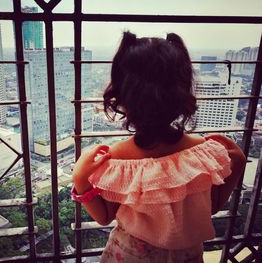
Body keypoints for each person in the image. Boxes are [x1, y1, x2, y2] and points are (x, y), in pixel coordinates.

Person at [72, 31, 246, 263]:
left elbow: (104, 216)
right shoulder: (203, 153)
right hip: (188, 257)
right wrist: (239, 161)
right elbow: (211, 206)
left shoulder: (118, 160)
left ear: (121, 95)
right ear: (183, 91)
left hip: (130, 256)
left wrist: (80, 179)